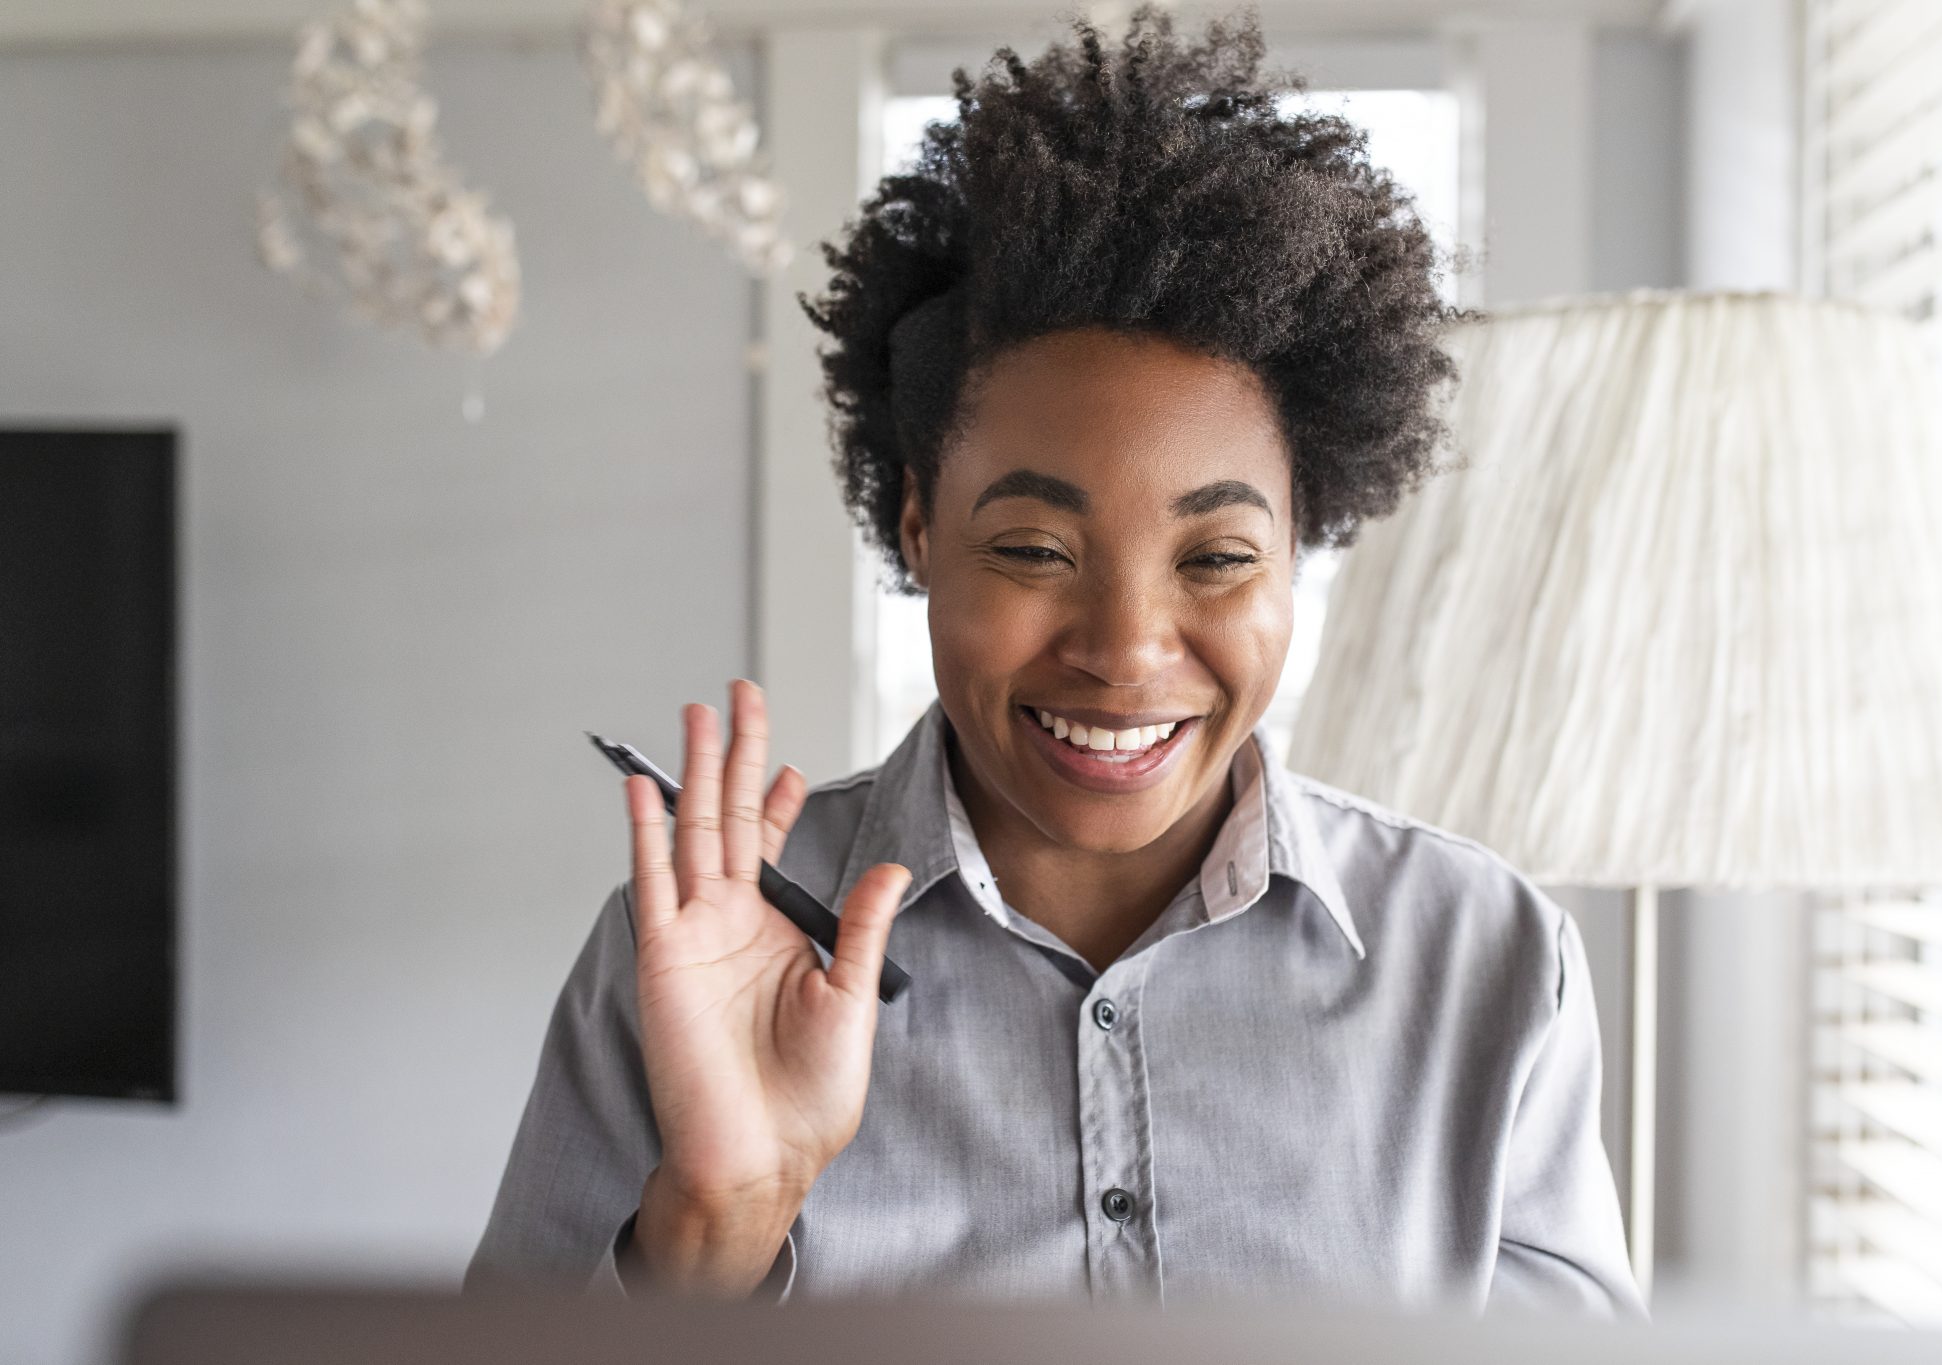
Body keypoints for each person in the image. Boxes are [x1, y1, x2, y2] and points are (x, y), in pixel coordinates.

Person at [467, 3, 1641, 1317]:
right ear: (919, 526)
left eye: (1215, 559)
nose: (1127, 649)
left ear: (1303, 544)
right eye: (1034, 548)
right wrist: (714, 1224)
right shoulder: (694, 950)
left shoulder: (1482, 957)